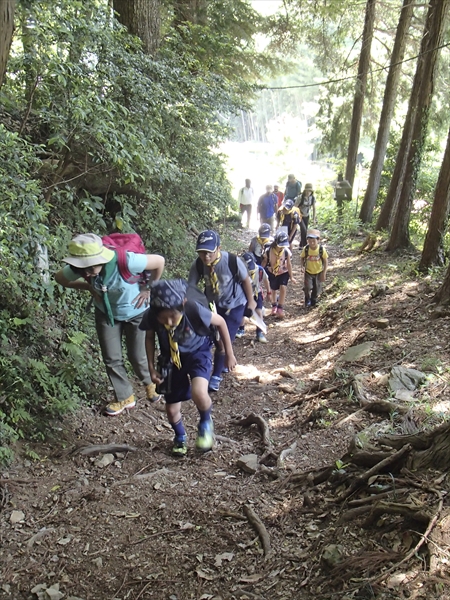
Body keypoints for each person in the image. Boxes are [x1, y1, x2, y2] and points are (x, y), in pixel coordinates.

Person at [55, 233, 165, 416]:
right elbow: (61, 279)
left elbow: (159, 262)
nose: (87, 273)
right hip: (106, 313)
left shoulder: (126, 261)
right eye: (83, 269)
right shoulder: (81, 268)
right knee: (111, 358)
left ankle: (150, 383)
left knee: (137, 356)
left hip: (136, 313)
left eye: (90, 268)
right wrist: (88, 286)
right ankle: (125, 396)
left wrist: (148, 289)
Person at [140, 279, 236, 456]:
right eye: (164, 317)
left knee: (199, 392)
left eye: (173, 315)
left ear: (182, 305)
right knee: (171, 408)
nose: (169, 321)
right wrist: (151, 368)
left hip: (198, 353)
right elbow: (148, 339)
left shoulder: (193, 309)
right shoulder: (152, 316)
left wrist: (229, 353)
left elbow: (221, 322)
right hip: (170, 360)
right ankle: (180, 436)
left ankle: (206, 423)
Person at [187, 230, 256, 392]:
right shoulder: (198, 264)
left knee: (223, 340)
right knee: (211, 335)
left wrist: (251, 302)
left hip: (235, 304)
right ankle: (219, 361)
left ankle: (216, 375)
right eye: (202, 252)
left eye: (209, 252)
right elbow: (191, 287)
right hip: (212, 305)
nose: (206, 256)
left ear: (218, 248)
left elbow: (246, 280)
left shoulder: (231, 261)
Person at [235, 252, 270, 343]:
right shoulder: (238, 272)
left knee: (258, 312)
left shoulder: (260, 270)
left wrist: (269, 292)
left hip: (257, 293)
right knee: (241, 312)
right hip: (243, 294)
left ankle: (259, 332)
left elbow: (266, 280)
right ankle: (241, 329)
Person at [261, 231, 295, 319]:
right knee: (273, 289)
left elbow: (289, 264)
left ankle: (280, 307)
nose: (282, 247)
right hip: (272, 272)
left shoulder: (286, 251)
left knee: (283, 287)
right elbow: (264, 262)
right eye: (280, 245)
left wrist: (291, 276)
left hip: (283, 272)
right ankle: (274, 306)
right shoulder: (268, 251)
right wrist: (259, 272)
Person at [300, 229, 328, 308]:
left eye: (314, 241)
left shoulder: (321, 250)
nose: (312, 243)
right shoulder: (306, 249)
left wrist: (324, 273)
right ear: (307, 240)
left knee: (317, 288)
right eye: (310, 241)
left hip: (318, 272)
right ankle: (307, 299)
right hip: (308, 272)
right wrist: (302, 266)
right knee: (307, 287)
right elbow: (302, 258)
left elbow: (325, 261)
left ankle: (313, 299)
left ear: (318, 240)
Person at [296, 183, 316, 248]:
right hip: (300, 216)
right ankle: (304, 245)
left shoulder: (312, 198)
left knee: (305, 230)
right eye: (307, 191)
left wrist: (314, 218)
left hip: (306, 215)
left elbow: (314, 208)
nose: (308, 192)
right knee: (303, 229)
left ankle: (301, 244)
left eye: (310, 191)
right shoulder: (300, 197)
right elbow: (294, 207)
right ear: (305, 190)